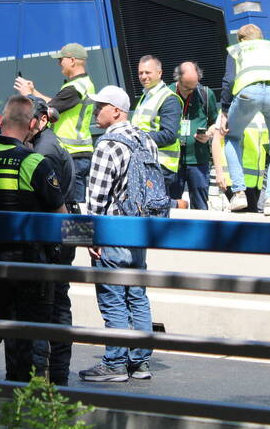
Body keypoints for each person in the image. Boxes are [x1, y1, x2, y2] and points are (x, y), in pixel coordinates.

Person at [0, 95, 67, 382]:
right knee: (29, 341)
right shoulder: (34, 162)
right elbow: (63, 217)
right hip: (28, 265)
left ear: (0, 121)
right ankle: (21, 405)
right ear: (33, 123)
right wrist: (88, 242)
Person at [79, 85, 157, 383]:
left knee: (112, 298)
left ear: (116, 111)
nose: (96, 110)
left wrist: (89, 237)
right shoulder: (145, 140)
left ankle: (114, 363)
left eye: (100, 106)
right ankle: (139, 361)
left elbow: (96, 200)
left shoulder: (107, 145)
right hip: (140, 232)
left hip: (112, 233)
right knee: (137, 295)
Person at [218, 24, 270, 217]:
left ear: (241, 40)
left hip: (247, 93)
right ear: (262, 37)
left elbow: (229, 80)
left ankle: (239, 193)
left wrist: (224, 110)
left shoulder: (236, 50)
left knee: (232, 138)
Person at [26, 96, 76, 386]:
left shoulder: (43, 150)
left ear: (41, 120)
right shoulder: (46, 141)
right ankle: (56, 375)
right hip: (63, 227)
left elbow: (55, 203)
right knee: (56, 301)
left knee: (52, 304)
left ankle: (54, 376)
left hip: (56, 231)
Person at [14, 43, 95, 210]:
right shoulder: (81, 84)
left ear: (72, 60)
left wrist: (28, 95)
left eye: (61, 60)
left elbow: (50, 109)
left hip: (74, 155)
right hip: (77, 154)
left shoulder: (76, 87)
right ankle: (73, 236)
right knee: (70, 206)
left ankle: (77, 237)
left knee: (71, 207)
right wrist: (34, 91)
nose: (59, 64)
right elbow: (55, 104)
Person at [131, 56, 182, 198]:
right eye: (140, 73)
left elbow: (169, 135)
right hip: (147, 164)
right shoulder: (145, 97)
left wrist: (136, 137)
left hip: (161, 167)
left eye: (148, 72)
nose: (143, 76)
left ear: (159, 73)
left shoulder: (169, 99)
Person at [173, 62, 218, 210]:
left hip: (198, 160)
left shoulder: (205, 94)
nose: (191, 91)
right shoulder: (167, 94)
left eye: (194, 87)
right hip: (173, 162)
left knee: (200, 208)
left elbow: (214, 122)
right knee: (171, 205)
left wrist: (208, 134)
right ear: (177, 80)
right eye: (187, 88)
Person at [211, 114, 269, 213]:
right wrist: (219, 173)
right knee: (248, 218)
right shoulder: (230, 111)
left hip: (255, 181)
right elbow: (216, 141)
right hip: (234, 179)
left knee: (247, 218)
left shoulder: (262, 113)